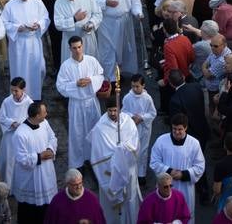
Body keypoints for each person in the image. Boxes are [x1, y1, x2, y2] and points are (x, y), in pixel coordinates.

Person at [89, 97, 140, 224]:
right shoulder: (100, 127)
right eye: (110, 110)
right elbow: (98, 152)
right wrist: (116, 154)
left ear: (120, 109)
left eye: (115, 110)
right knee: (111, 207)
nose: (112, 113)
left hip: (128, 168)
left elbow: (134, 144)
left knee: (130, 198)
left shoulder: (128, 122)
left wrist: (122, 150)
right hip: (109, 171)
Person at [90, 0, 143, 80]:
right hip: (106, 22)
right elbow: (91, 2)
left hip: (124, 21)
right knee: (108, 50)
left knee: (124, 48)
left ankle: (121, 71)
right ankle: (111, 78)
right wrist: (105, 3)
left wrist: (138, 12)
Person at [56, 36, 104, 168]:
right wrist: (75, 84)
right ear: (69, 49)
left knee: (94, 131)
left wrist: (90, 80)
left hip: (91, 101)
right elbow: (60, 86)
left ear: (83, 46)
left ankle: (94, 161)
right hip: (76, 104)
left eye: (79, 47)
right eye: (74, 48)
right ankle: (78, 163)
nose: (77, 50)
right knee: (77, 134)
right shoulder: (66, 66)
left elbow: (100, 76)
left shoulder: (91, 61)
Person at [150, 114, 206, 223]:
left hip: (186, 187)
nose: (176, 132)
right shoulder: (161, 141)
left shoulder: (194, 143)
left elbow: (200, 166)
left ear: (185, 128)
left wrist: (183, 174)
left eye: (180, 129)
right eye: (174, 129)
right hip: (166, 185)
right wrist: (169, 171)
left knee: (185, 214)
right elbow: (154, 161)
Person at [2, 0, 49, 101]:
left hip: (34, 41)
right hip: (19, 44)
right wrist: (18, 28)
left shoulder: (37, 1)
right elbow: (4, 23)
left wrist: (39, 24)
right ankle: (20, 95)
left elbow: (45, 17)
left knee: (40, 68)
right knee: (20, 69)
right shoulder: (10, 5)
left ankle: (35, 93)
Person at [11, 102, 58, 224]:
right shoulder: (20, 133)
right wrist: (40, 156)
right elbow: (21, 158)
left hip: (46, 172)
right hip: (30, 178)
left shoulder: (44, 123)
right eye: (44, 112)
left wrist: (50, 149)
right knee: (28, 212)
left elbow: (53, 137)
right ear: (37, 115)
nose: (46, 114)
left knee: (46, 210)